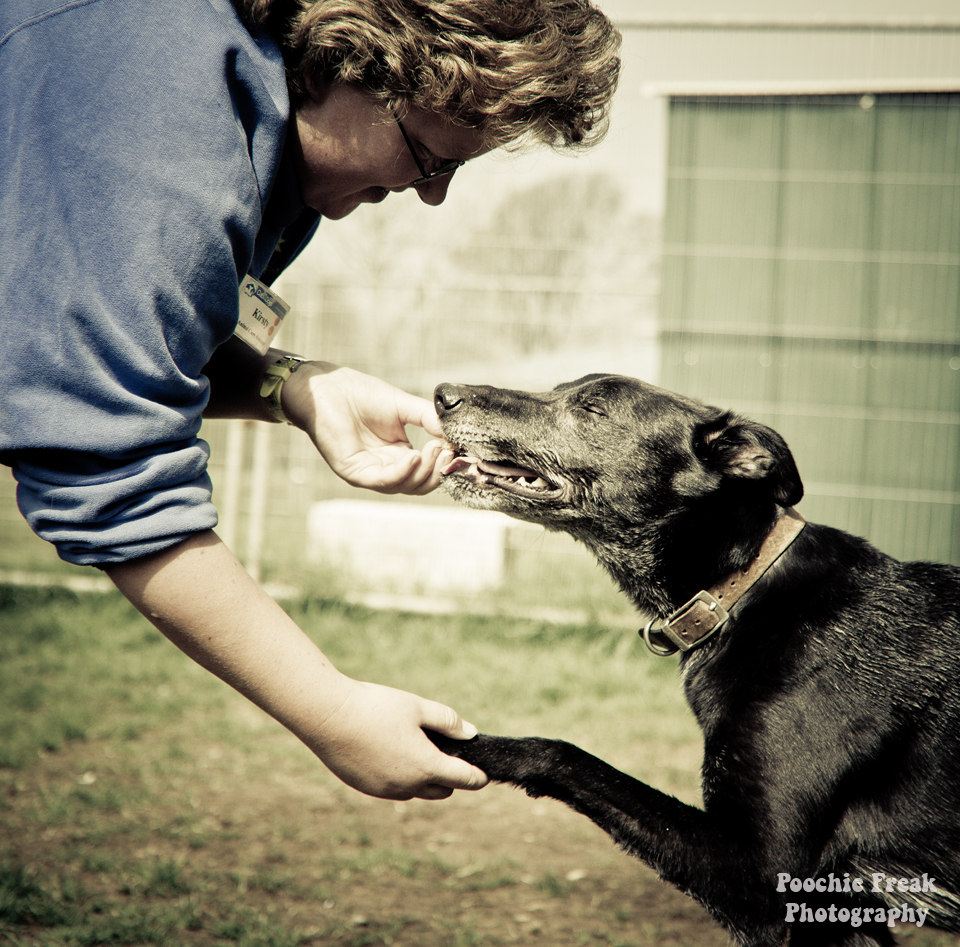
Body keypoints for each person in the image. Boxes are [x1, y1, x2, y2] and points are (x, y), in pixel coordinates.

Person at [0, 0, 621, 800]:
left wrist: (290, 384)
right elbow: (101, 448)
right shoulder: (170, 102)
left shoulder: (262, 130)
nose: (431, 195)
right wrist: (329, 709)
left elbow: (94, 337)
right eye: (432, 158)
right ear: (356, 63)